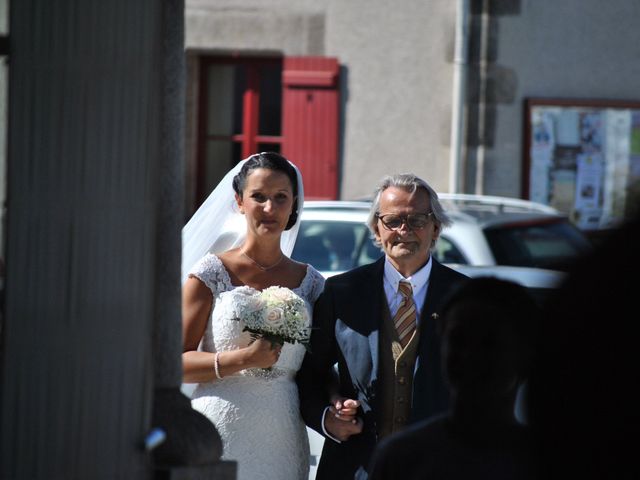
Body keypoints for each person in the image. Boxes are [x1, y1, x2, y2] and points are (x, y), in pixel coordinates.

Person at [296, 173, 468, 479]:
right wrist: (328, 417)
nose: (404, 230)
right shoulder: (341, 292)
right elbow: (310, 375)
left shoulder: (465, 297)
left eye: (417, 220)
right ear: (377, 227)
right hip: (355, 468)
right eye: (393, 220)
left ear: (436, 228)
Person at [181, 152, 325, 480]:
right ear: (239, 202)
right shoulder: (211, 272)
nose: (269, 209)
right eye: (258, 197)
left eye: (280, 198)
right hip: (219, 427)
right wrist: (245, 358)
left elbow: (320, 366)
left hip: (282, 436)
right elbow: (176, 362)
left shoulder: (312, 283)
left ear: (294, 205)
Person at [368, 277, 539, 480]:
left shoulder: (548, 462)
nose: (470, 355)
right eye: (458, 340)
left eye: (489, 343)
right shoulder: (400, 459)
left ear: (525, 354)